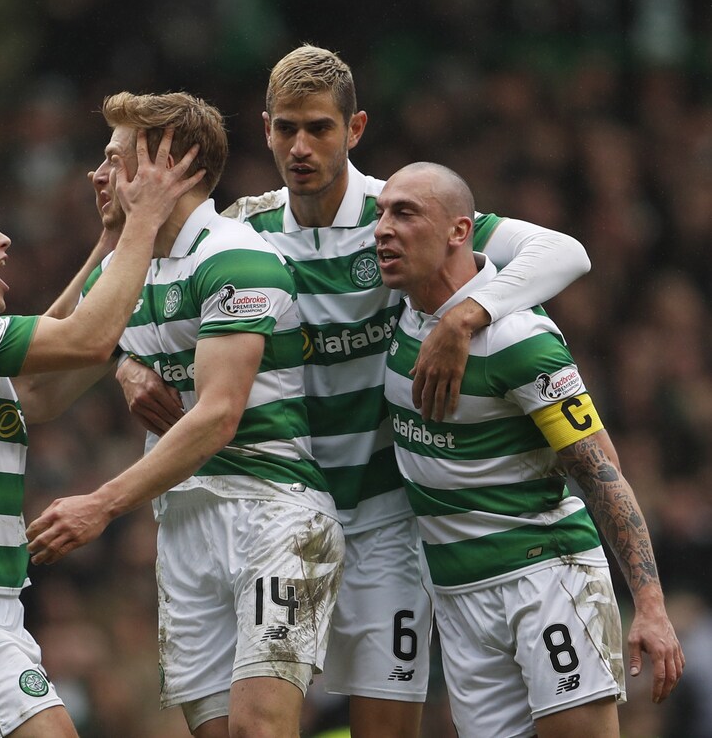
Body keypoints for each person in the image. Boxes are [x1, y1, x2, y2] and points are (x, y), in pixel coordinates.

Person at [115, 45, 593, 737]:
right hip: (275, 514)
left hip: (383, 519)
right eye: (286, 129)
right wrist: (125, 362)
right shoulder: (241, 231)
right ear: (265, 129)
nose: (300, 147)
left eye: (319, 128)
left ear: (355, 128)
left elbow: (565, 251)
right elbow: (142, 292)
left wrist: (466, 315)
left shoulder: (396, 214)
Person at [25, 91, 345, 738]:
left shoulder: (235, 256)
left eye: (115, 158)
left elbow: (218, 414)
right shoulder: (122, 272)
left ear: (171, 165)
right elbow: (36, 391)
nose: (98, 174)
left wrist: (102, 504)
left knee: (259, 730)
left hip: (274, 513)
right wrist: (111, 271)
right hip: (184, 527)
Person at [0, 133, 202, 736]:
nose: (4, 240)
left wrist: (109, 245)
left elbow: (41, 389)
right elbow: (86, 339)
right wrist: (144, 221)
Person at [376, 160, 684, 737]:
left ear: (460, 231)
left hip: (543, 579)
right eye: (381, 213)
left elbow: (600, 469)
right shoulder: (402, 313)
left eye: (405, 213)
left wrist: (649, 605)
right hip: (458, 594)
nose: (383, 229)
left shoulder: (518, 339)